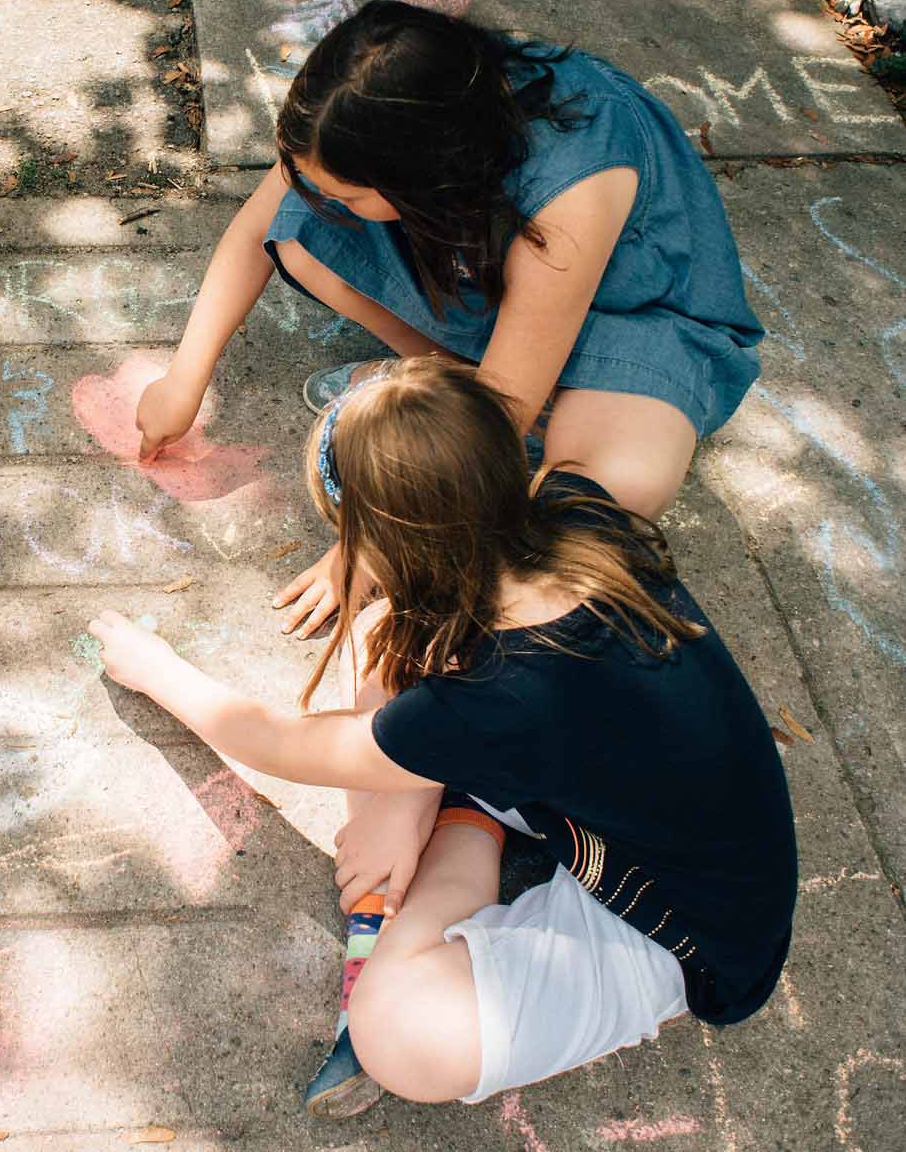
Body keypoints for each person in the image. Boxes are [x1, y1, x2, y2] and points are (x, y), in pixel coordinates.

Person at [90, 358, 797, 1116]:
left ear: (391, 545)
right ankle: (438, 801)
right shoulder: (573, 503)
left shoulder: (496, 699)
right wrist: (394, 802)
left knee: (394, 1033)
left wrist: (158, 671)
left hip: (680, 935)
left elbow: (279, 741)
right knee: (383, 634)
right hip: (637, 815)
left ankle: (465, 817)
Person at [133, 0, 764, 638]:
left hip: (634, 320)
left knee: (601, 500)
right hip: (501, 284)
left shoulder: (571, 188)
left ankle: (522, 419)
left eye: (348, 193)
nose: (323, 196)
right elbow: (257, 229)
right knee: (297, 235)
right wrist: (184, 379)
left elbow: (502, 407)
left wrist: (367, 554)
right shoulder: (372, 108)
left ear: (420, 177)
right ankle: (453, 385)